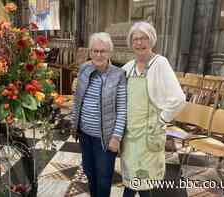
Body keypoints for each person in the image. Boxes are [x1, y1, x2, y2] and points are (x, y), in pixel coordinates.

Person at [120, 21, 186, 197]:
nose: (139, 43)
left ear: (152, 40)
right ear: (131, 42)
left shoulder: (160, 64)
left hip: (149, 134)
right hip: (130, 136)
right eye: (135, 39)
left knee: (142, 181)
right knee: (131, 179)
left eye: (144, 38)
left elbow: (179, 98)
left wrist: (162, 120)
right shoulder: (128, 68)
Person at [71, 32, 127, 197]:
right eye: (95, 51)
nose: (98, 55)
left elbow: (122, 108)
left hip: (105, 138)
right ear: (90, 52)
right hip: (84, 134)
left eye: (103, 51)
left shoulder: (118, 75)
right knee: (89, 172)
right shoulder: (84, 69)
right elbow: (77, 99)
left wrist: (116, 137)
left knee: (103, 177)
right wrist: (75, 124)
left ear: (110, 53)